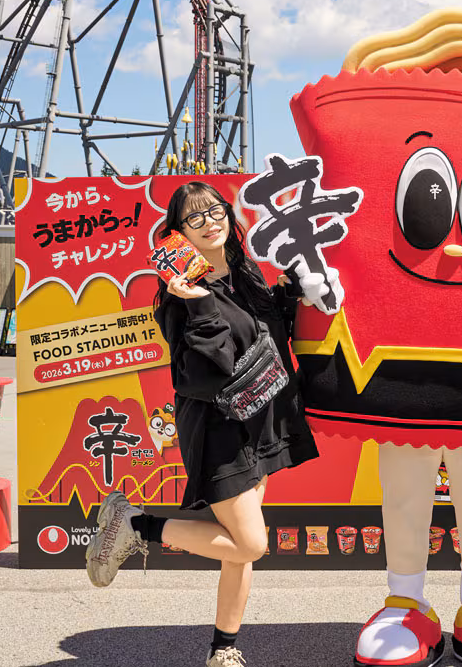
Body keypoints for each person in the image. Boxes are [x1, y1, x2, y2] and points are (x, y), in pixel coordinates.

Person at [86, 181, 319, 667]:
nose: (210, 221)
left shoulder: (245, 272)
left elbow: (269, 333)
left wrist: (289, 294)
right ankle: (137, 523)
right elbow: (205, 372)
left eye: (215, 210)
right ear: (177, 235)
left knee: (239, 549)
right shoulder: (179, 299)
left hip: (261, 422)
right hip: (219, 432)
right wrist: (196, 301)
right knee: (251, 543)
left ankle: (224, 648)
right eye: (195, 218)